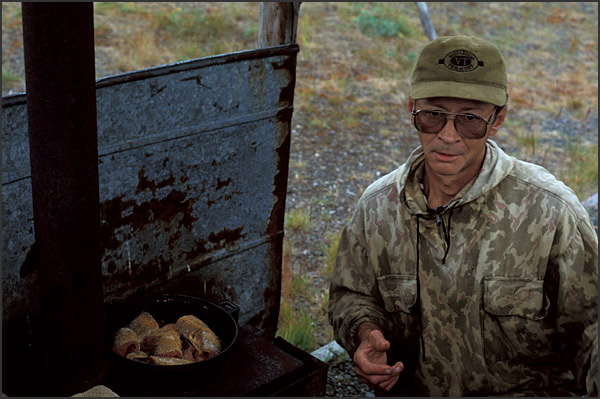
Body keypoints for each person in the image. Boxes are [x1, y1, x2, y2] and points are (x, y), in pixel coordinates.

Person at [328, 34, 598, 397]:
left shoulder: (551, 214)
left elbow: (592, 338)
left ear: (498, 118)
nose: (449, 136)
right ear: (411, 109)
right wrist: (364, 334)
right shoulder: (377, 209)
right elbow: (351, 296)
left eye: (470, 119)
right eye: (433, 116)